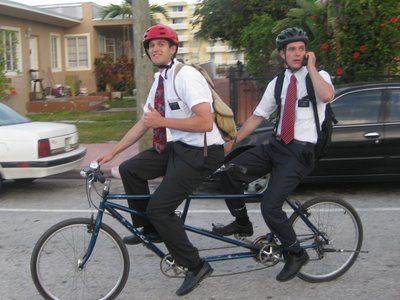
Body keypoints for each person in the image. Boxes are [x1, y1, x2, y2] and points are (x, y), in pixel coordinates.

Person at [97, 24, 225, 296]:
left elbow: (205, 121)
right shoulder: (159, 81)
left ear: (173, 48)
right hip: (178, 147)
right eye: (151, 45)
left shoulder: (185, 76)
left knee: (160, 208)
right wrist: (114, 152)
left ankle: (196, 265)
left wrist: (162, 121)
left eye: (161, 44)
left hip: (202, 152)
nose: (155, 48)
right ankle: (150, 230)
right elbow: (145, 123)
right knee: (130, 169)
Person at [212, 27, 334, 282]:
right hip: (276, 146)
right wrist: (232, 142)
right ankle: (242, 223)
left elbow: (327, 95)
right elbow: (258, 116)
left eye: (302, 49)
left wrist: (311, 67)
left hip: (299, 152)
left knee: (270, 206)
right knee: (228, 172)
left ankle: (296, 254)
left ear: (307, 52)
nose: (297, 53)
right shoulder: (278, 83)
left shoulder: (319, 76)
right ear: (282, 54)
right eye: (292, 49)